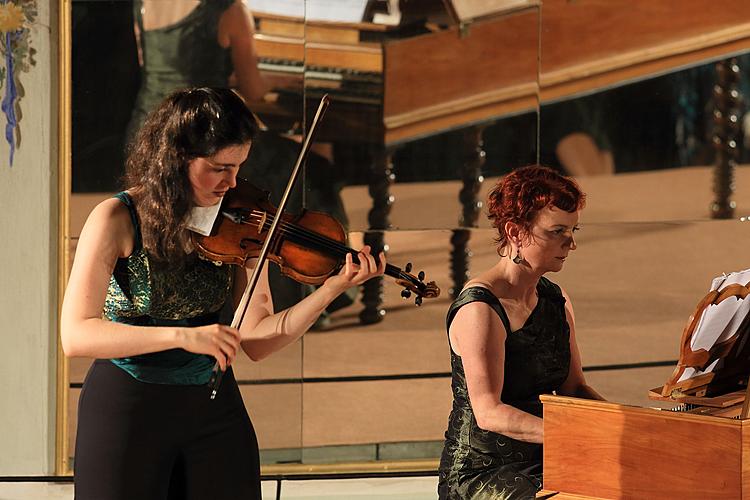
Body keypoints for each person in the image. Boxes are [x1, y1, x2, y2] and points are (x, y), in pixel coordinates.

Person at [60, 87, 385, 500]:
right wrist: (183, 336)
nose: (232, 183)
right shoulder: (116, 218)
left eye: (239, 167)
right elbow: (76, 335)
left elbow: (258, 341)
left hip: (210, 408)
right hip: (128, 404)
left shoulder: (245, 227)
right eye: (219, 168)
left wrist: (330, 289)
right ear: (177, 157)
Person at [437, 165, 604, 500]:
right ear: (515, 232)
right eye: (557, 231)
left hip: (548, 453)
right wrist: (572, 435)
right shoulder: (480, 309)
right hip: (483, 471)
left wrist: (625, 426)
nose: (570, 243)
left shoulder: (556, 299)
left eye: (573, 230)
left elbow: (574, 388)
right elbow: (488, 412)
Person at [126, 0, 270, 139]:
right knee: (290, 147)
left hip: (144, 131)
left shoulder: (142, 3)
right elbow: (253, 91)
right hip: (200, 134)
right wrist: (278, 82)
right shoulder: (231, 8)